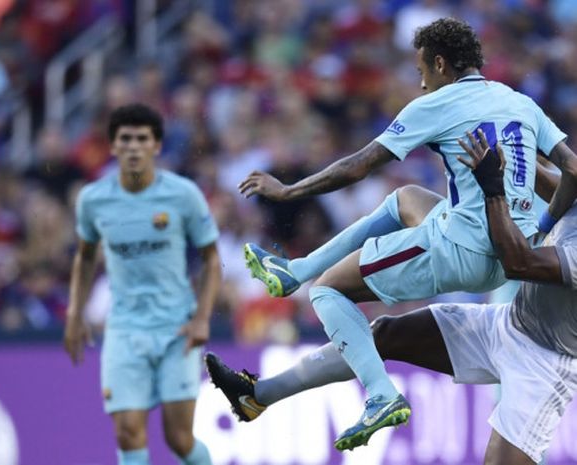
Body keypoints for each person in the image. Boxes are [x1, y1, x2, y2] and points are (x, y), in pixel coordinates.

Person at [236, 17, 577, 450]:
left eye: (421, 73)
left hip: (469, 253)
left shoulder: (437, 104)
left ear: (440, 64)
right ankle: (294, 270)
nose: (420, 85)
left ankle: (380, 395)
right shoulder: (520, 102)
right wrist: (544, 226)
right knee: (408, 198)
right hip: (513, 254)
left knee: (328, 292)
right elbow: (572, 169)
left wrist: (289, 190)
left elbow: (357, 166)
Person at [208, 131, 577, 464]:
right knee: (384, 334)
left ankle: (299, 274)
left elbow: (519, 263)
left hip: (545, 363)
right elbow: (561, 179)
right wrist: (511, 149)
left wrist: (495, 189)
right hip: (506, 323)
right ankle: (256, 394)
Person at [64, 104, 222, 465]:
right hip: (123, 328)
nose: (133, 147)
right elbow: (86, 256)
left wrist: (202, 318)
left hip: (176, 327)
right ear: (113, 146)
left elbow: (212, 259)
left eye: (141, 139)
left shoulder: (183, 195)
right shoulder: (93, 200)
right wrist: (75, 313)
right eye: (126, 139)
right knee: (127, 431)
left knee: (179, 439)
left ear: (156, 146)